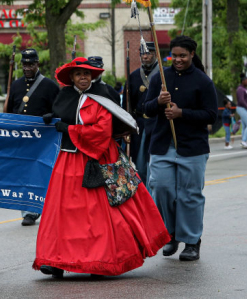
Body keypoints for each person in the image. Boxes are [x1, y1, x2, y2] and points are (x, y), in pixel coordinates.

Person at [33, 57, 169, 279]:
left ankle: (100, 261)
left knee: (98, 214)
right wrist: (52, 119)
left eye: (87, 74)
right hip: (68, 160)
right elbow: (61, 116)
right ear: (72, 78)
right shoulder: (64, 96)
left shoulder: (102, 97)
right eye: (79, 74)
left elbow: (101, 132)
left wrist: (70, 129)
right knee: (63, 213)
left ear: (93, 76)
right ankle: (56, 260)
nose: (83, 77)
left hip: (97, 158)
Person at [144, 36, 217, 261]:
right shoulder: (160, 78)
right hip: (162, 146)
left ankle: (192, 241)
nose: (177, 59)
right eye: (174, 55)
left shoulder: (203, 81)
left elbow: (211, 115)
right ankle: (171, 234)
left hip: (192, 148)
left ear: (192, 54)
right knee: (162, 190)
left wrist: (181, 113)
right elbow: (145, 109)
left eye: (182, 56)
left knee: (189, 196)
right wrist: (157, 101)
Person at [5, 48, 59, 226]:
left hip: (43, 139)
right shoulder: (16, 85)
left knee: (41, 173)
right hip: (21, 139)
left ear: (38, 64)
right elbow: (11, 111)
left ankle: (40, 207)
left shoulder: (49, 86)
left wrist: (51, 114)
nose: (27, 68)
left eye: (31, 64)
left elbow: (59, 110)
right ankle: (28, 210)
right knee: (23, 174)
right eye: (24, 64)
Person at [123, 41, 159, 180]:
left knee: (155, 163)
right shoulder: (133, 76)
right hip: (140, 125)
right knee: (139, 164)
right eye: (143, 53)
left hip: (157, 123)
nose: (145, 56)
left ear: (155, 54)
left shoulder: (163, 75)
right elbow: (127, 104)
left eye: (149, 53)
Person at [236, 74, 247, 149]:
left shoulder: (245, 89)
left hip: (245, 108)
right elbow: (241, 101)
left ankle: (244, 142)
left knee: (244, 126)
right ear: (243, 81)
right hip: (241, 108)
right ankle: (243, 141)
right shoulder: (240, 89)